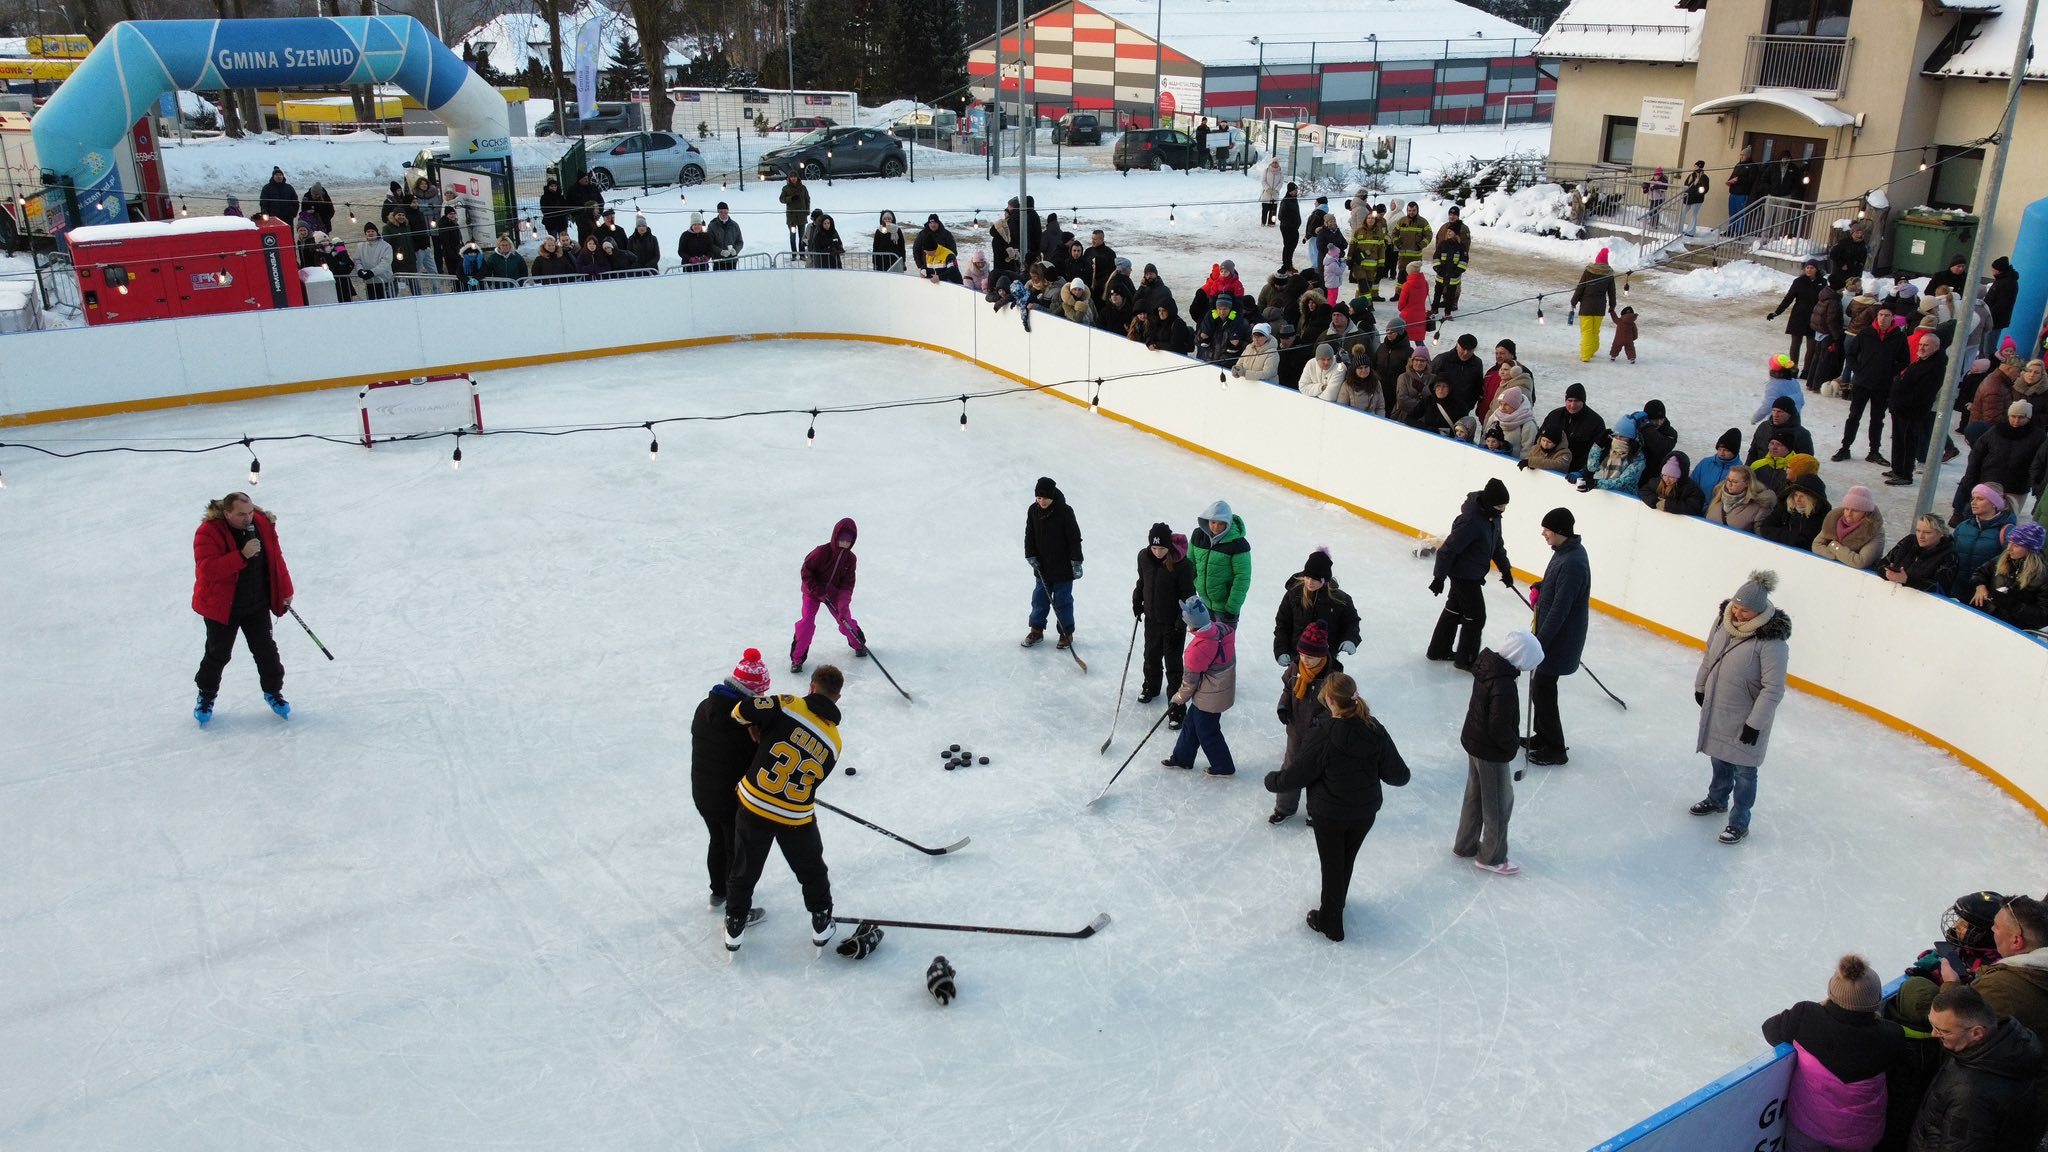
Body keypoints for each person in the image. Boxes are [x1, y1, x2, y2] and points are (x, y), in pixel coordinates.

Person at [1262, 672, 1409, 942]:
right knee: (1345, 860)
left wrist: (1272, 781)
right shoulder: (1374, 728)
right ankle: (1337, 902)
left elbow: (1299, 774)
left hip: (1330, 814)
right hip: (1364, 813)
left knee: (1332, 865)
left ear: (1330, 701)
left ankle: (1331, 923)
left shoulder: (1324, 734)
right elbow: (1399, 776)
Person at [721, 665, 846, 953]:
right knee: (812, 868)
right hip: (794, 813)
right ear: (838, 698)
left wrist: (755, 725)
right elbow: (814, 780)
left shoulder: (788, 703)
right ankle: (821, 921)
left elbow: (739, 711)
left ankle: (735, 926)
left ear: (811, 687)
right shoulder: (835, 742)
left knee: (744, 867)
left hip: (755, 802)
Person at [1759, 954, 1911, 1152]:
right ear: (1876, 1001)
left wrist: (1821, 1010)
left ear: (1832, 992)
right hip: (1861, 1136)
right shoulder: (1892, 1035)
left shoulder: (1807, 1016)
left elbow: (1770, 1030)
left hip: (1808, 1129)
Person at [1690, 569, 1790, 845]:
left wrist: (1754, 724)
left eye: (1745, 611)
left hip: (1747, 716)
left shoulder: (1772, 641)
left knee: (1745, 771)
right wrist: (1701, 686)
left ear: (1759, 611)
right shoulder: (1723, 622)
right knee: (1719, 757)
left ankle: (1739, 822)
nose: (1738, 613)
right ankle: (1717, 799)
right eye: (1736, 606)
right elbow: (1710, 655)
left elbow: (1773, 688)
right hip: (1719, 706)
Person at [191, 491, 295, 724]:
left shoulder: (262, 524)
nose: (248, 518)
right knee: (218, 654)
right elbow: (208, 570)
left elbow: (276, 558)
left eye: (250, 512)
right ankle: (206, 695)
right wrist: (242, 555)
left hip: (256, 604)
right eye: (241, 514)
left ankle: (274, 692)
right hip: (222, 607)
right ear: (226, 513)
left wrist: (285, 591)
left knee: (266, 651)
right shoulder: (208, 532)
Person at [1908, 984, 2046, 1152]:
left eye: (1943, 1031)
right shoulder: (2006, 1044)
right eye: (1932, 1024)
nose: (1934, 1034)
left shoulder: (1971, 1095)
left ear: (1977, 1033)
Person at [1454, 628, 1542, 875]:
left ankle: (1464, 845)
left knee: (1475, 796)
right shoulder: (1504, 685)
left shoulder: (1489, 667)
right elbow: (1499, 726)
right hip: (1490, 751)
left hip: (1474, 742)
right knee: (1499, 804)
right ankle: (1491, 857)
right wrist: (1512, 745)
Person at [691, 648, 773, 912]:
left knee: (717, 841)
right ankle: (737, 911)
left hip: (703, 793)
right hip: (729, 799)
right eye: (760, 694)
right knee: (736, 851)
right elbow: (760, 760)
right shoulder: (744, 725)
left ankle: (718, 893)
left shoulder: (704, 707)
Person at [1429, 478, 1514, 670]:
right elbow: (1447, 550)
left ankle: (1438, 649)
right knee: (1476, 617)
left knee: (1454, 610)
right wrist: (1438, 578)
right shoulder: (1471, 521)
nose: (1503, 510)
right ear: (1489, 503)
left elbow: (1497, 546)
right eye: (1500, 506)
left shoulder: (1493, 517)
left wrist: (1505, 569)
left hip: (1473, 572)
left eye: (1505, 506)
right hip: (1464, 576)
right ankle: (1466, 660)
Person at [1268, 621, 1339, 824]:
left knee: (1317, 773)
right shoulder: (1295, 668)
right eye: (1303, 655)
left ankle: (1316, 811)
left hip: (1320, 735)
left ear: (1322, 655)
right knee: (1290, 768)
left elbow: (1334, 706)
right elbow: (1288, 690)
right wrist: (1283, 707)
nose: (1306, 661)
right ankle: (1284, 808)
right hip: (1296, 730)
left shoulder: (1332, 677)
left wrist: (1320, 723)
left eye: (1311, 657)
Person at [1162, 596, 1237, 776]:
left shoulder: (1199, 649)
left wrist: (1177, 698)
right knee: (1191, 724)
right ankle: (1182, 758)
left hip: (1211, 696)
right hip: (1215, 690)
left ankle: (1224, 766)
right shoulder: (1221, 629)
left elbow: (1189, 683)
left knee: (1207, 731)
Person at [1134, 522, 1196, 728]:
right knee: (1151, 656)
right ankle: (1151, 687)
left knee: (1173, 666)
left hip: (1173, 624)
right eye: (1154, 547)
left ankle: (1176, 707)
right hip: (1152, 619)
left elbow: (1188, 596)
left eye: (1162, 548)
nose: (1158, 552)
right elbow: (1142, 582)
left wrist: (1180, 621)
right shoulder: (1144, 557)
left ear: (1169, 546)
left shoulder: (1182, 565)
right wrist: (1137, 601)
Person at [790, 516, 864, 673]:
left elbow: (847, 584)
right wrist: (817, 590)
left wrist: (843, 605)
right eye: (842, 539)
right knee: (807, 623)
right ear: (835, 536)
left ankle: (859, 644)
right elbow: (806, 571)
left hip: (834, 593)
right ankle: (797, 659)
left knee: (845, 619)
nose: (845, 543)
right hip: (812, 592)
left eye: (849, 540)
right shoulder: (821, 552)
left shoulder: (850, 559)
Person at [1955, 401, 2043, 525]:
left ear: (2028, 418)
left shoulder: (2038, 436)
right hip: (1990, 482)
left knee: (2008, 522)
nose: (2016, 421)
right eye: (2013, 416)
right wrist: (1971, 477)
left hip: (2017, 487)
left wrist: (2036, 484)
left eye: (2021, 417)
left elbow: (2039, 463)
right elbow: (1977, 454)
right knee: (1982, 518)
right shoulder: (1996, 431)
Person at [1023, 476, 1083, 649]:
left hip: (1063, 568)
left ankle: (1066, 633)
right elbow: (1029, 534)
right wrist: (1030, 555)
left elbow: (1074, 538)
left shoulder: (1065, 511)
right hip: (1042, 566)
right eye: (1038, 498)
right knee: (1039, 599)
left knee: (1063, 601)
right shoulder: (1033, 510)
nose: (1041, 501)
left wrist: (1076, 561)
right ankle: (1036, 630)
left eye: (1045, 498)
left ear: (1052, 496)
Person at [1838, 308, 1904, 464]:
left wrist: (1889, 373)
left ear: (1892, 318)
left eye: (1887, 315)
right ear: (1877, 316)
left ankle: (1874, 451)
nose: (1883, 318)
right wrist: (1858, 370)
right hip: (1862, 383)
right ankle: (1845, 448)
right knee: (1854, 416)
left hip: (1883, 385)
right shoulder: (1865, 333)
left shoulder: (1899, 336)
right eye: (1881, 315)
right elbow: (1851, 354)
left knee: (1877, 419)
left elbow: (1904, 360)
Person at [1885, 334, 1950, 486]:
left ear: (1936, 347)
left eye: (1926, 345)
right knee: (1898, 440)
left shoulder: (1935, 367)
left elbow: (1922, 393)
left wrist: (1902, 401)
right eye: (1921, 344)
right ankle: (1897, 469)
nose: (1921, 348)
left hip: (1911, 411)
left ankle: (1905, 474)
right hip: (1900, 408)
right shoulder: (1923, 361)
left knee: (1908, 443)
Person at [1966, 521, 2048, 629]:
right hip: (1986, 616)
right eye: (2009, 542)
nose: (2009, 548)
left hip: (2013, 629)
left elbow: (2043, 617)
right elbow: (1980, 572)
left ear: (2030, 549)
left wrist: (2013, 605)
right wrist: (1980, 587)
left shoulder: (2043, 574)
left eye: (2016, 545)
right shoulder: (2004, 558)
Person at [1950, 483, 2017, 599]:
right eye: (1973, 498)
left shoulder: (2007, 531)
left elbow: (2011, 564)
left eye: (1980, 499)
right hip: (1955, 590)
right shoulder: (1963, 526)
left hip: (1985, 596)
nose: (1973, 502)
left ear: (1994, 503)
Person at [1190, 500, 1251, 626]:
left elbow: (1242, 579)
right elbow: (1190, 564)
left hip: (1225, 609)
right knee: (1204, 639)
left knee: (1223, 640)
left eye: (1221, 523)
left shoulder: (1238, 545)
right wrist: (1194, 587)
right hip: (1203, 604)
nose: (1216, 527)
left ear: (1228, 523)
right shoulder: (1198, 536)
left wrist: (1232, 608)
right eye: (1213, 522)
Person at [1812, 485, 1886, 569]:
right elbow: (1816, 545)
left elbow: (1860, 562)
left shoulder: (1874, 530)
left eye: (1855, 510)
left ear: (1866, 513)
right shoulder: (1834, 520)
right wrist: (1838, 557)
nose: (1849, 514)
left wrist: (1833, 545)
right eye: (1847, 509)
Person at [1880, 515, 1960, 593]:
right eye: (1918, 531)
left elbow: (1940, 588)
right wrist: (1887, 573)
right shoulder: (1908, 541)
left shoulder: (1949, 555)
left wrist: (1907, 580)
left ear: (1941, 533)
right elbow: (1881, 563)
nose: (1921, 536)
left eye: (1927, 532)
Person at [1771, 259, 1825, 371]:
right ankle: (1793, 368)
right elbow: (1788, 298)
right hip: (1798, 316)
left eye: (1812, 268)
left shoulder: (1822, 282)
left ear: (1816, 269)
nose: (1809, 270)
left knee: (1812, 346)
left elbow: (1825, 300)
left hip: (1814, 317)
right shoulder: (1798, 281)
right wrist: (1777, 312)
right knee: (1795, 344)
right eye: (1807, 267)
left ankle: (1807, 370)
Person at [1570, 248, 1618, 364]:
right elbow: (1612, 293)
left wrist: (1574, 301)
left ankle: (1585, 355)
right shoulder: (1609, 274)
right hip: (1600, 308)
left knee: (1586, 331)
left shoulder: (1589, 271)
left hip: (1586, 306)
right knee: (1595, 331)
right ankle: (1593, 349)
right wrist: (1612, 306)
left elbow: (1580, 287)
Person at [1706, 464, 1779, 536]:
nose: (1729, 484)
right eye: (1728, 480)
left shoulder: (1760, 504)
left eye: (1735, 482)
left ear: (1747, 483)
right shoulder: (1719, 495)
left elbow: (1760, 535)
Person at [1753, 394, 1817, 461]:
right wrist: (1748, 467)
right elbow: (1753, 452)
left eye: (1780, 411)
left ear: (1789, 414)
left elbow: (1806, 461)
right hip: (1760, 466)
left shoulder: (1802, 434)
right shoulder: (1764, 427)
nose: (1775, 415)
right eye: (1773, 410)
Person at [349, 222, 393, 300]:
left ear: (376, 232)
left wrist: (372, 272)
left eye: (372, 231)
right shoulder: (360, 246)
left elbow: (385, 262)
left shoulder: (386, 246)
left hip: (383, 280)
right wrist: (360, 270)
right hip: (369, 281)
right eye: (368, 231)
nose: (370, 233)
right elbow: (357, 260)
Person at [1695, 427, 1745, 497]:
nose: (1721, 453)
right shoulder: (1705, 463)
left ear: (1735, 451)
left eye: (1726, 450)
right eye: (1719, 449)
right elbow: (1693, 485)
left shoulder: (1740, 470)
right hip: (1698, 502)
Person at [1397, 261, 1429, 343]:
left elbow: (1402, 303)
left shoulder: (1407, 285)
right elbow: (1425, 296)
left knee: (1401, 339)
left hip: (1407, 315)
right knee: (1418, 340)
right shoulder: (1425, 283)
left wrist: (1402, 309)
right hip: (1421, 314)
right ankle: (1422, 351)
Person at [706, 202, 744, 270]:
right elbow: (710, 244)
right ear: (718, 212)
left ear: (728, 211)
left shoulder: (734, 225)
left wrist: (735, 250)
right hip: (718, 261)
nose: (723, 214)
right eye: (721, 212)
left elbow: (740, 242)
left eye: (725, 212)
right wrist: (721, 252)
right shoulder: (712, 226)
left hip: (732, 260)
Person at [1679, 160, 1710, 236]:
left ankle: (1691, 231)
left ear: (1700, 167)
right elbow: (1686, 184)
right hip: (1688, 198)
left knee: (1693, 215)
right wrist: (1686, 192)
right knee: (1682, 213)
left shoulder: (1704, 177)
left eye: (1696, 166)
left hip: (1696, 199)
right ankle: (1679, 229)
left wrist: (1698, 193)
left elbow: (1705, 188)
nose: (1694, 167)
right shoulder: (1691, 176)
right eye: (1694, 166)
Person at [1278, 183, 1302, 270]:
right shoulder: (1286, 201)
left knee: (1292, 246)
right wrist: (1291, 221)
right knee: (1288, 246)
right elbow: (1280, 216)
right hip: (1287, 227)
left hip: (1294, 227)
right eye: (1295, 190)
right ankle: (1286, 265)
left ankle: (1289, 264)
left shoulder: (1294, 199)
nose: (1296, 192)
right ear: (1290, 191)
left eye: (1296, 190)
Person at [1259, 159, 1283, 226]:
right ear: (1271, 163)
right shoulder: (1266, 171)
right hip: (1266, 194)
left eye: (1276, 163)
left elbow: (1281, 183)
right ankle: (1263, 222)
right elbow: (1263, 181)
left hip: (1275, 195)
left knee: (1273, 211)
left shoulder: (1280, 172)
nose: (1275, 164)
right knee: (1265, 210)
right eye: (1273, 162)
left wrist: (1276, 190)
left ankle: (1272, 222)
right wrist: (1268, 189)